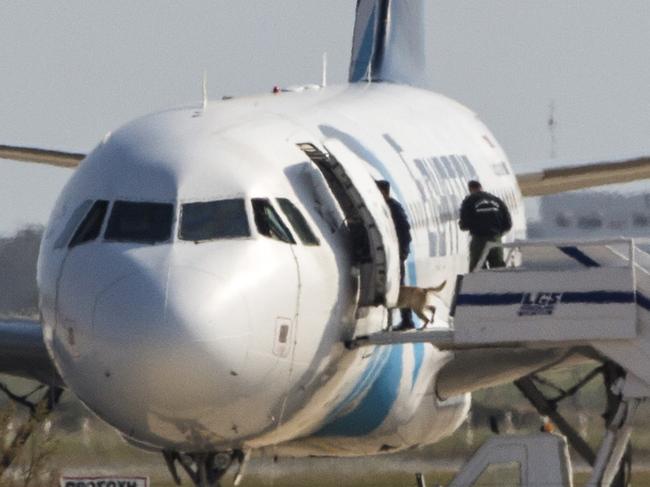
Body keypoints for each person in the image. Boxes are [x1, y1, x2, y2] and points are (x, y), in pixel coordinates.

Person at [376, 180, 414, 329]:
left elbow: (405, 230)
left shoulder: (394, 208)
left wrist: (403, 252)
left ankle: (407, 319)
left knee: (399, 287)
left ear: (385, 192)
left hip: (396, 254)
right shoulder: (383, 206)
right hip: (389, 254)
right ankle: (397, 320)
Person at [459, 180, 512, 271]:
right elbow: (508, 224)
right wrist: (497, 234)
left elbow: (464, 224)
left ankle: (480, 285)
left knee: (477, 270)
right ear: (481, 187)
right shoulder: (497, 200)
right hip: (496, 239)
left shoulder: (469, 200)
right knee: (499, 269)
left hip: (479, 240)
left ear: (470, 189)